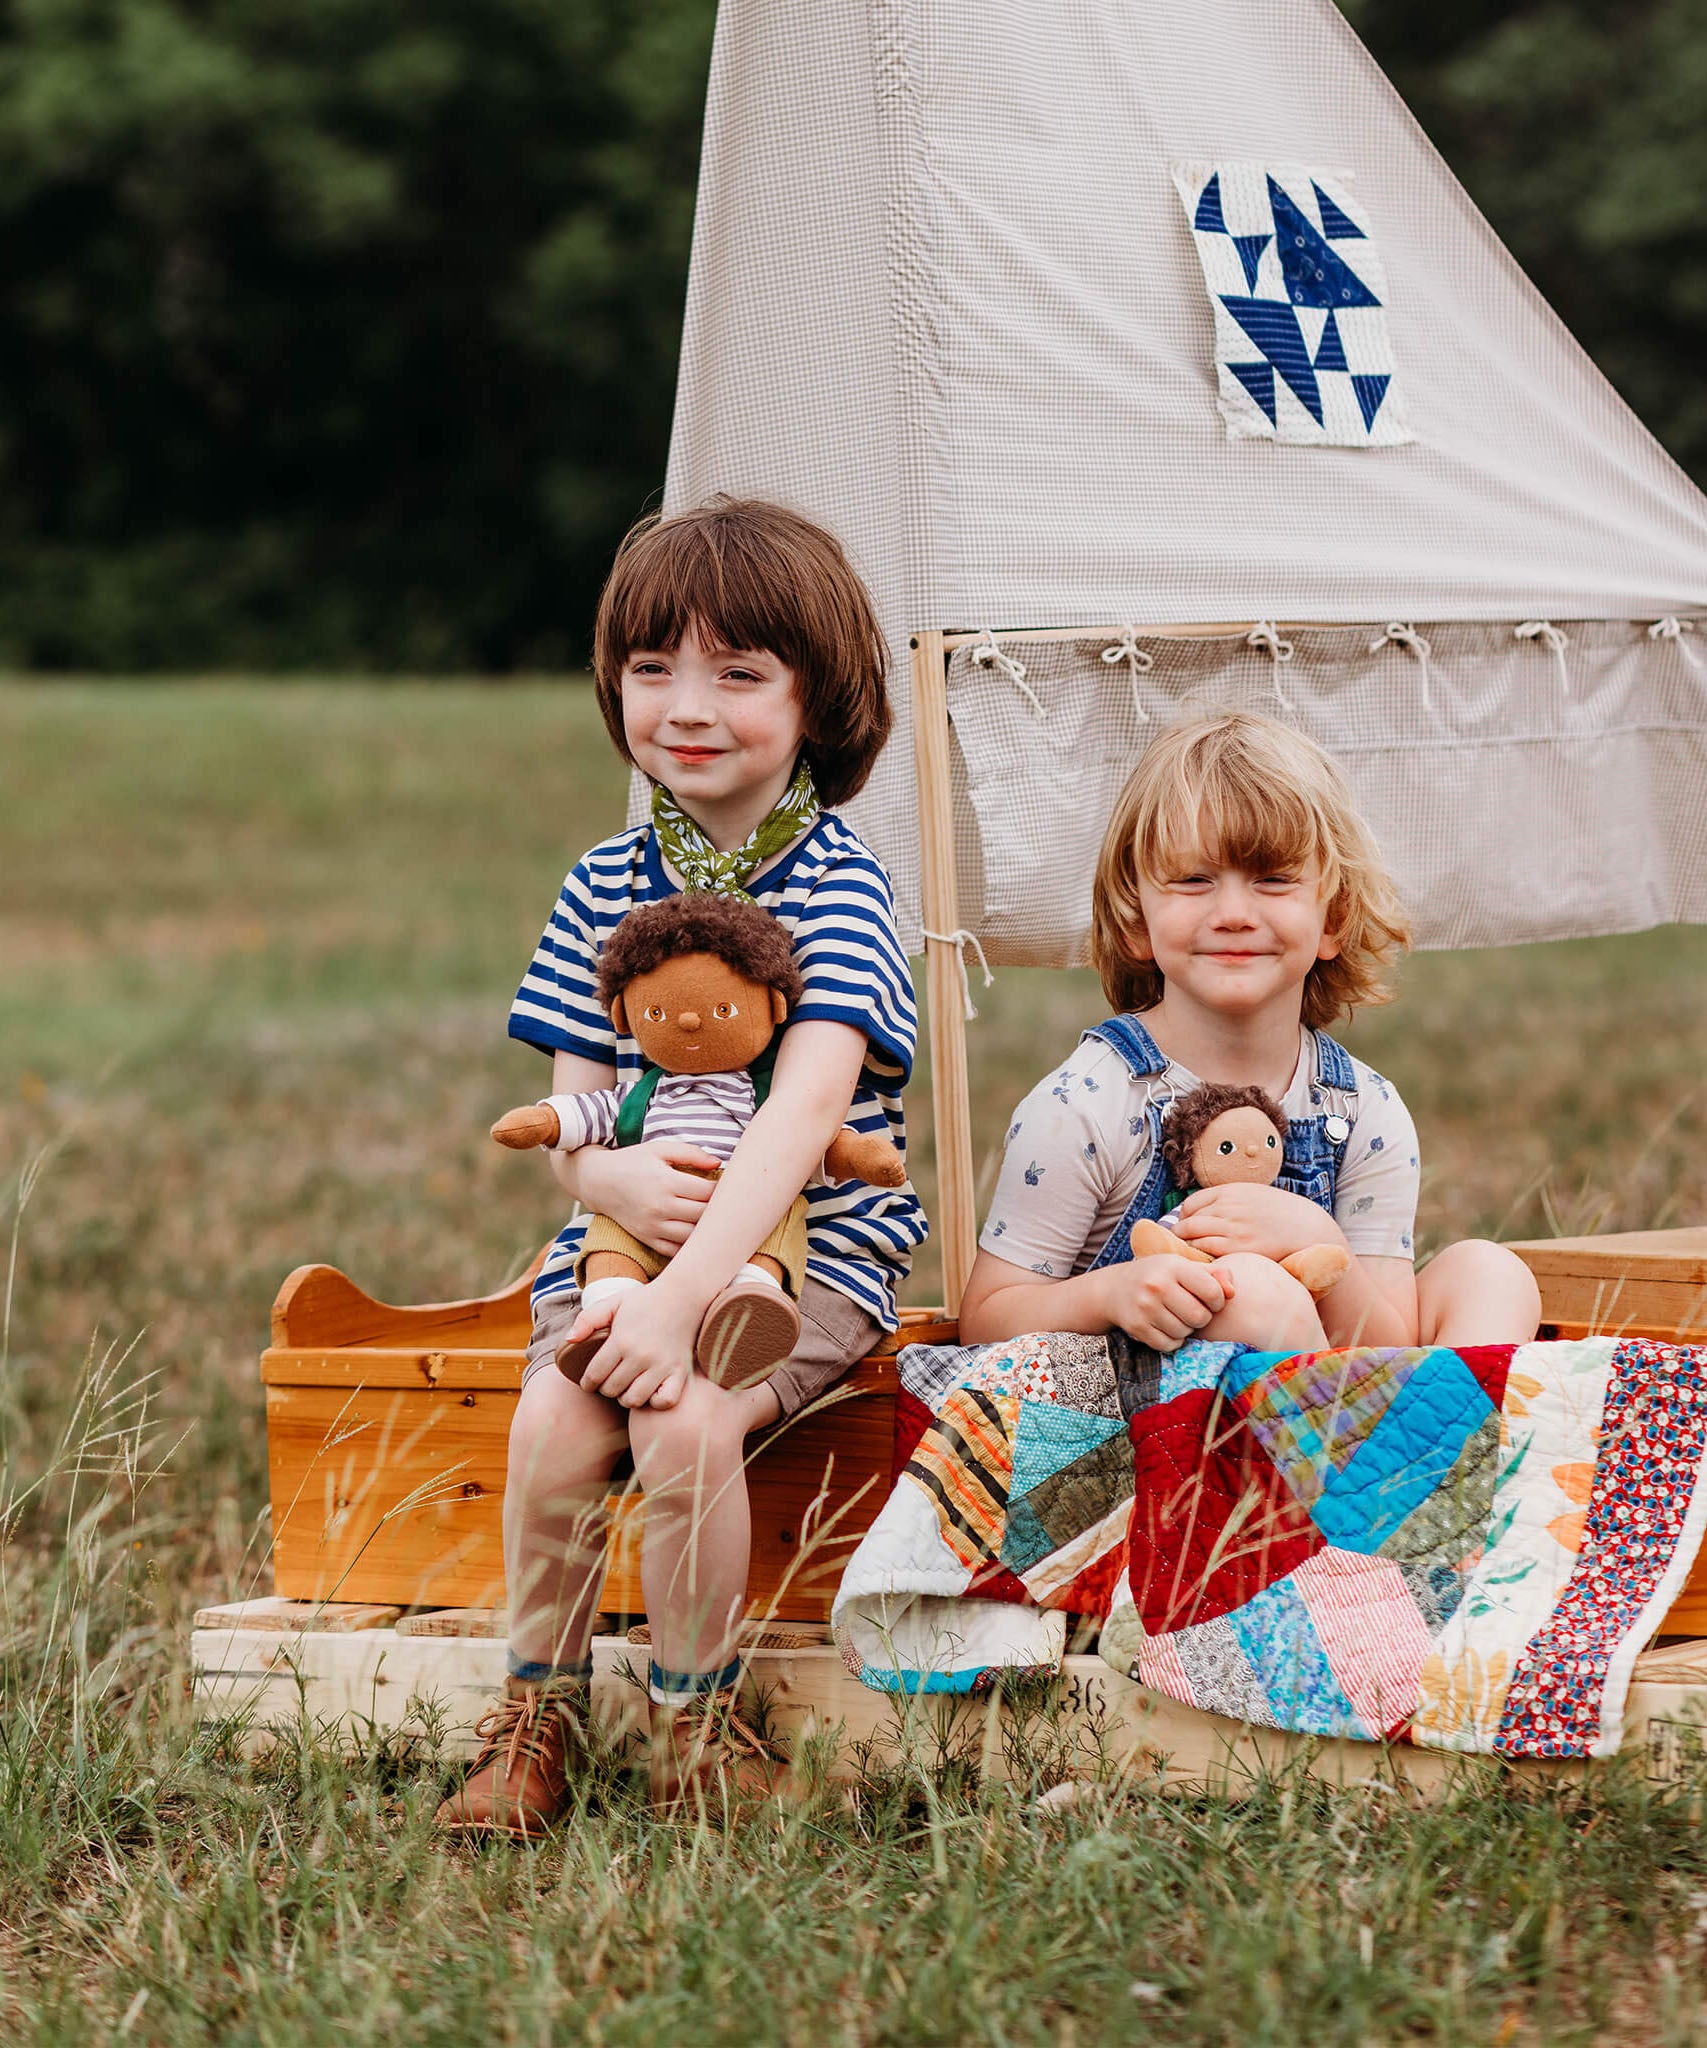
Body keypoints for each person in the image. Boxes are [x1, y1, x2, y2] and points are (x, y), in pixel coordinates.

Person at [437, 498, 924, 1833]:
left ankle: (693, 1721)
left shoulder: (840, 884)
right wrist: (604, 1193)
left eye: (737, 673)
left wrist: (676, 1299)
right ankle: (534, 1710)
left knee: (687, 1420)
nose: (686, 706)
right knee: (549, 1424)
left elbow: (799, 1113)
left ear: (818, 697)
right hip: (624, 1240)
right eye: (652, 670)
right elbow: (575, 1110)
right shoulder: (603, 881)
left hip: (803, 1246)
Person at [958, 708, 1541, 1359]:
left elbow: (1386, 1348)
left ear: (1332, 919)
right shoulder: (1087, 1104)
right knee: (1252, 1291)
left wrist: (1316, 1236)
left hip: (1352, 1408)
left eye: (1272, 879)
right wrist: (1109, 1293)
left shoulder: (1361, 1110)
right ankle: (1398, 1457)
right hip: (1144, 1428)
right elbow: (984, 1320)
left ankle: (1439, 1451)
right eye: (1192, 880)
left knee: (1489, 1271)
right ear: (1135, 920)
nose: (1233, 913)